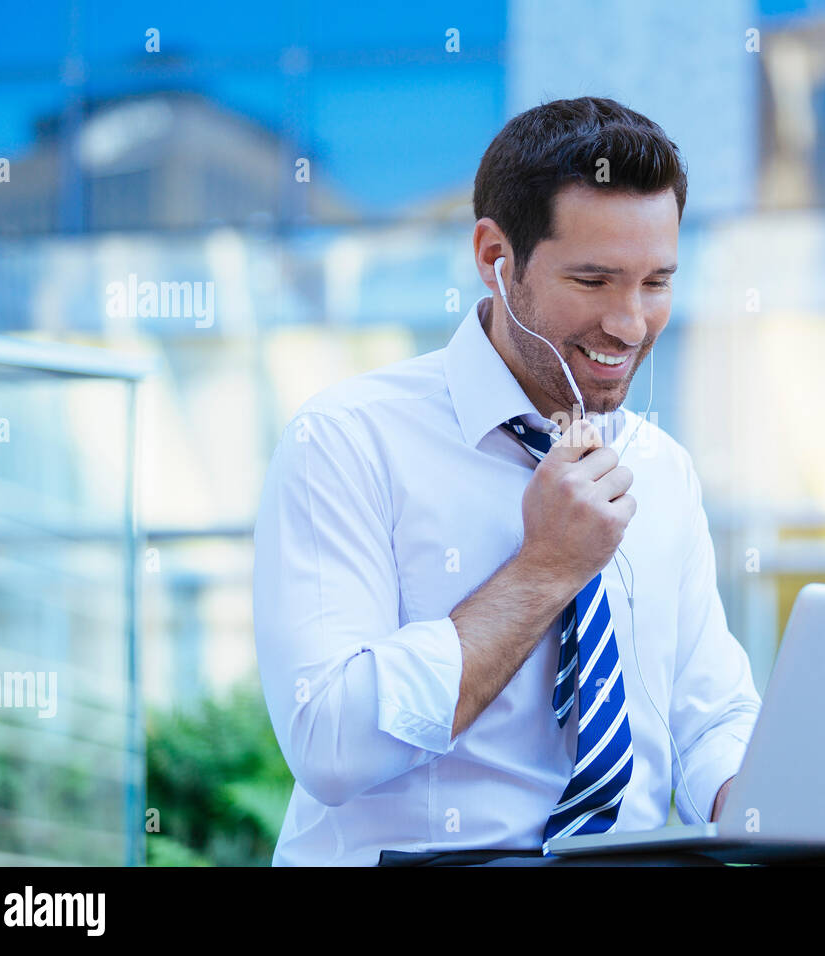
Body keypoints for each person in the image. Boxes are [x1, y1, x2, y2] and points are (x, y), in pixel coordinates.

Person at [251, 96, 763, 866]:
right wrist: (545, 568)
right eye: (593, 281)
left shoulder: (662, 468)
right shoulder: (349, 441)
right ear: (495, 255)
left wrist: (758, 796)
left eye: (656, 282)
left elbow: (707, 716)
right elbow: (329, 742)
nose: (630, 324)